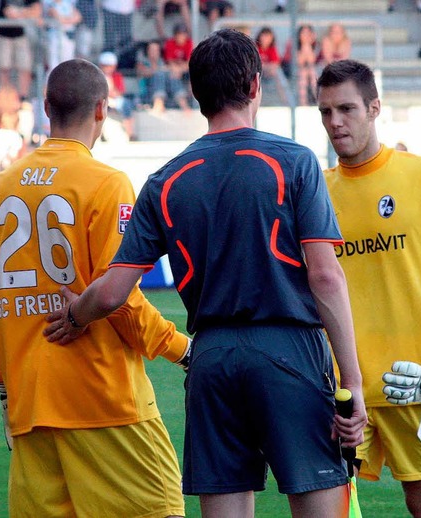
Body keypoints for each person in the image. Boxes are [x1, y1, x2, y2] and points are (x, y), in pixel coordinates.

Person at [44, 29, 367, 518]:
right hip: (289, 351)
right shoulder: (294, 161)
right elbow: (325, 277)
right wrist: (354, 383)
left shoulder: (165, 179)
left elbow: (111, 292)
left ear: (196, 95)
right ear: (255, 86)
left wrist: (75, 315)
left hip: (211, 358)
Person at [0, 59, 189, 517]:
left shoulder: (2, 187)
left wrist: (4, 378)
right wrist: (181, 349)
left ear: (46, 108)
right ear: (102, 110)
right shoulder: (105, 184)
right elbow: (117, 298)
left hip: (31, 408)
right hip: (104, 404)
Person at [317, 59, 421, 518]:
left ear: (374, 108)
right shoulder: (314, 189)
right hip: (340, 387)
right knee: (327, 507)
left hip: (414, 380)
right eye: (326, 112)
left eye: (347, 109)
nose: (335, 122)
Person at [0, 0, 42, 100]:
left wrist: (20, 12)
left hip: (22, 35)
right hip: (3, 34)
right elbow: (9, 12)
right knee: (4, 67)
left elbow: (36, 11)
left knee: (25, 67)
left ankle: (23, 97)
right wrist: (26, 12)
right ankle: (5, 98)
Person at [136, 39, 190, 112]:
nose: (154, 52)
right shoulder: (142, 63)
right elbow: (144, 72)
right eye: (152, 50)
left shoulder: (162, 63)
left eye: (156, 50)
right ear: (148, 51)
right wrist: (160, 69)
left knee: (172, 76)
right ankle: (158, 102)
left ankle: (183, 103)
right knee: (159, 74)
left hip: (165, 96)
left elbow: (176, 71)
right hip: (146, 96)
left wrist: (170, 70)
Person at [98, 50, 136, 139]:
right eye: (105, 66)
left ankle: (130, 133)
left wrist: (111, 88)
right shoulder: (98, 76)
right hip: (102, 100)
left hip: (114, 99)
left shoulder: (117, 76)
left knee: (125, 104)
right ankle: (100, 134)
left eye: (110, 66)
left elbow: (119, 92)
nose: (107, 68)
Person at [43, 0, 81, 72]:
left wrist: (67, 20)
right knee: (53, 64)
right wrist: (69, 19)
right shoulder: (50, 4)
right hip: (55, 37)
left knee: (67, 62)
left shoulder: (68, 4)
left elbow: (78, 17)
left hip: (68, 36)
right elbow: (59, 19)